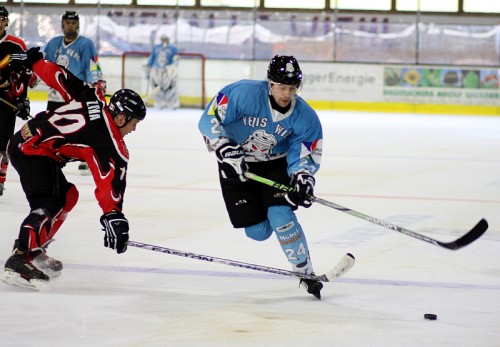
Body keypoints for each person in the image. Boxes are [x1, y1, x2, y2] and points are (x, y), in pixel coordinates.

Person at [2, 47, 146, 290]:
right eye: (133, 123)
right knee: (47, 204)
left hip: (31, 144)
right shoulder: (108, 141)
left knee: (68, 195)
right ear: (121, 118)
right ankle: (20, 256)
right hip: (31, 151)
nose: (133, 129)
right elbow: (109, 181)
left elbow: (58, 75)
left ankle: (37, 249)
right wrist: (113, 215)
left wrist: (35, 62)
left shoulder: (93, 97)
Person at [198, 55, 324, 299]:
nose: (286, 93)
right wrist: (223, 147)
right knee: (257, 232)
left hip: (276, 163)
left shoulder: (305, 117)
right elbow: (210, 118)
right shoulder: (242, 93)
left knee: (280, 213)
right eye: (281, 87)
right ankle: (269, 210)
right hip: (237, 163)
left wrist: (302, 177)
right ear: (270, 83)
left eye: (291, 88)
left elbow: (304, 154)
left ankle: (305, 271)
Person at [44, 10, 105, 175]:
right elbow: (44, 64)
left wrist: (96, 82)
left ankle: (86, 157)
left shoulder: (85, 44)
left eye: (73, 23)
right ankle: (50, 156)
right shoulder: (53, 43)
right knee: (50, 127)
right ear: (63, 24)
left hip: (76, 94)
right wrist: (34, 77)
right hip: (56, 94)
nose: (70, 25)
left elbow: (92, 65)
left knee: (81, 127)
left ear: (78, 25)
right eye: (68, 22)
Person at [0, 6, 37, 196]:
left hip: (7, 101)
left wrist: (23, 100)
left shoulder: (16, 45)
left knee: (3, 144)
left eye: (0, 19)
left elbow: (24, 74)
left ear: (6, 21)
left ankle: (1, 175)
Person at [145, 35, 179, 109]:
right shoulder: (156, 48)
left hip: (168, 71)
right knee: (157, 86)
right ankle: (159, 102)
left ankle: (172, 103)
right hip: (156, 70)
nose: (164, 41)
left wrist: (172, 67)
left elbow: (175, 59)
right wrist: (148, 68)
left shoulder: (173, 48)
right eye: (163, 39)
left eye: (166, 39)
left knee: (170, 87)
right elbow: (152, 58)